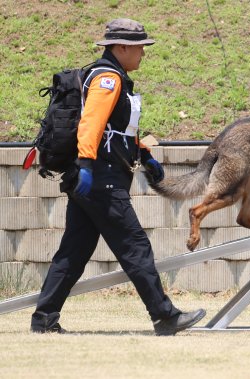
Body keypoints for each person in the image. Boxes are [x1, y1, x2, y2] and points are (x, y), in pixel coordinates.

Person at [30, 18, 206, 336]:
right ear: (120, 47)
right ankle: (165, 317)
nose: (143, 54)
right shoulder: (108, 79)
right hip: (100, 178)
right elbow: (92, 124)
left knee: (74, 251)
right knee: (135, 246)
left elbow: (119, 132)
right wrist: (85, 163)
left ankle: (44, 319)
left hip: (96, 177)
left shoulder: (116, 77)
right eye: (139, 47)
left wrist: (145, 155)